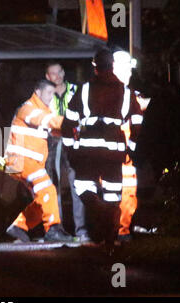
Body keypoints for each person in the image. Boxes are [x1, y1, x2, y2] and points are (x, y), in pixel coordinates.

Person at [61, 49, 142, 246]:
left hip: (88, 151)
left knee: (82, 188)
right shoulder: (126, 92)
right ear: (112, 66)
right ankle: (111, 238)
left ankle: (102, 217)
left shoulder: (84, 90)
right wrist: (130, 147)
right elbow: (138, 121)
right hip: (115, 151)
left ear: (95, 67)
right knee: (113, 194)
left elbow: (68, 122)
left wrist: (70, 149)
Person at [4, 79, 74, 243]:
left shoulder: (41, 110)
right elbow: (48, 121)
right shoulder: (28, 108)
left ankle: (19, 227)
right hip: (20, 161)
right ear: (37, 92)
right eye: (49, 93)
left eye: (53, 94)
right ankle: (53, 228)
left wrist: (74, 130)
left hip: (26, 163)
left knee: (42, 198)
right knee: (48, 189)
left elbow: (54, 129)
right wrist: (71, 122)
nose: (52, 97)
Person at [44, 62, 89, 242]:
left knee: (77, 185)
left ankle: (81, 229)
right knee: (52, 186)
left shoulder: (75, 90)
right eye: (53, 74)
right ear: (48, 77)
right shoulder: (44, 93)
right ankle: (56, 228)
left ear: (64, 72)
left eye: (59, 72)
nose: (57, 76)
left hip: (73, 141)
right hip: (53, 141)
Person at [112, 50, 150, 242]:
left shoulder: (127, 94)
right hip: (120, 150)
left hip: (118, 150)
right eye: (127, 69)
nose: (129, 73)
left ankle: (118, 229)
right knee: (121, 191)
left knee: (121, 191)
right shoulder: (118, 94)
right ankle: (120, 230)